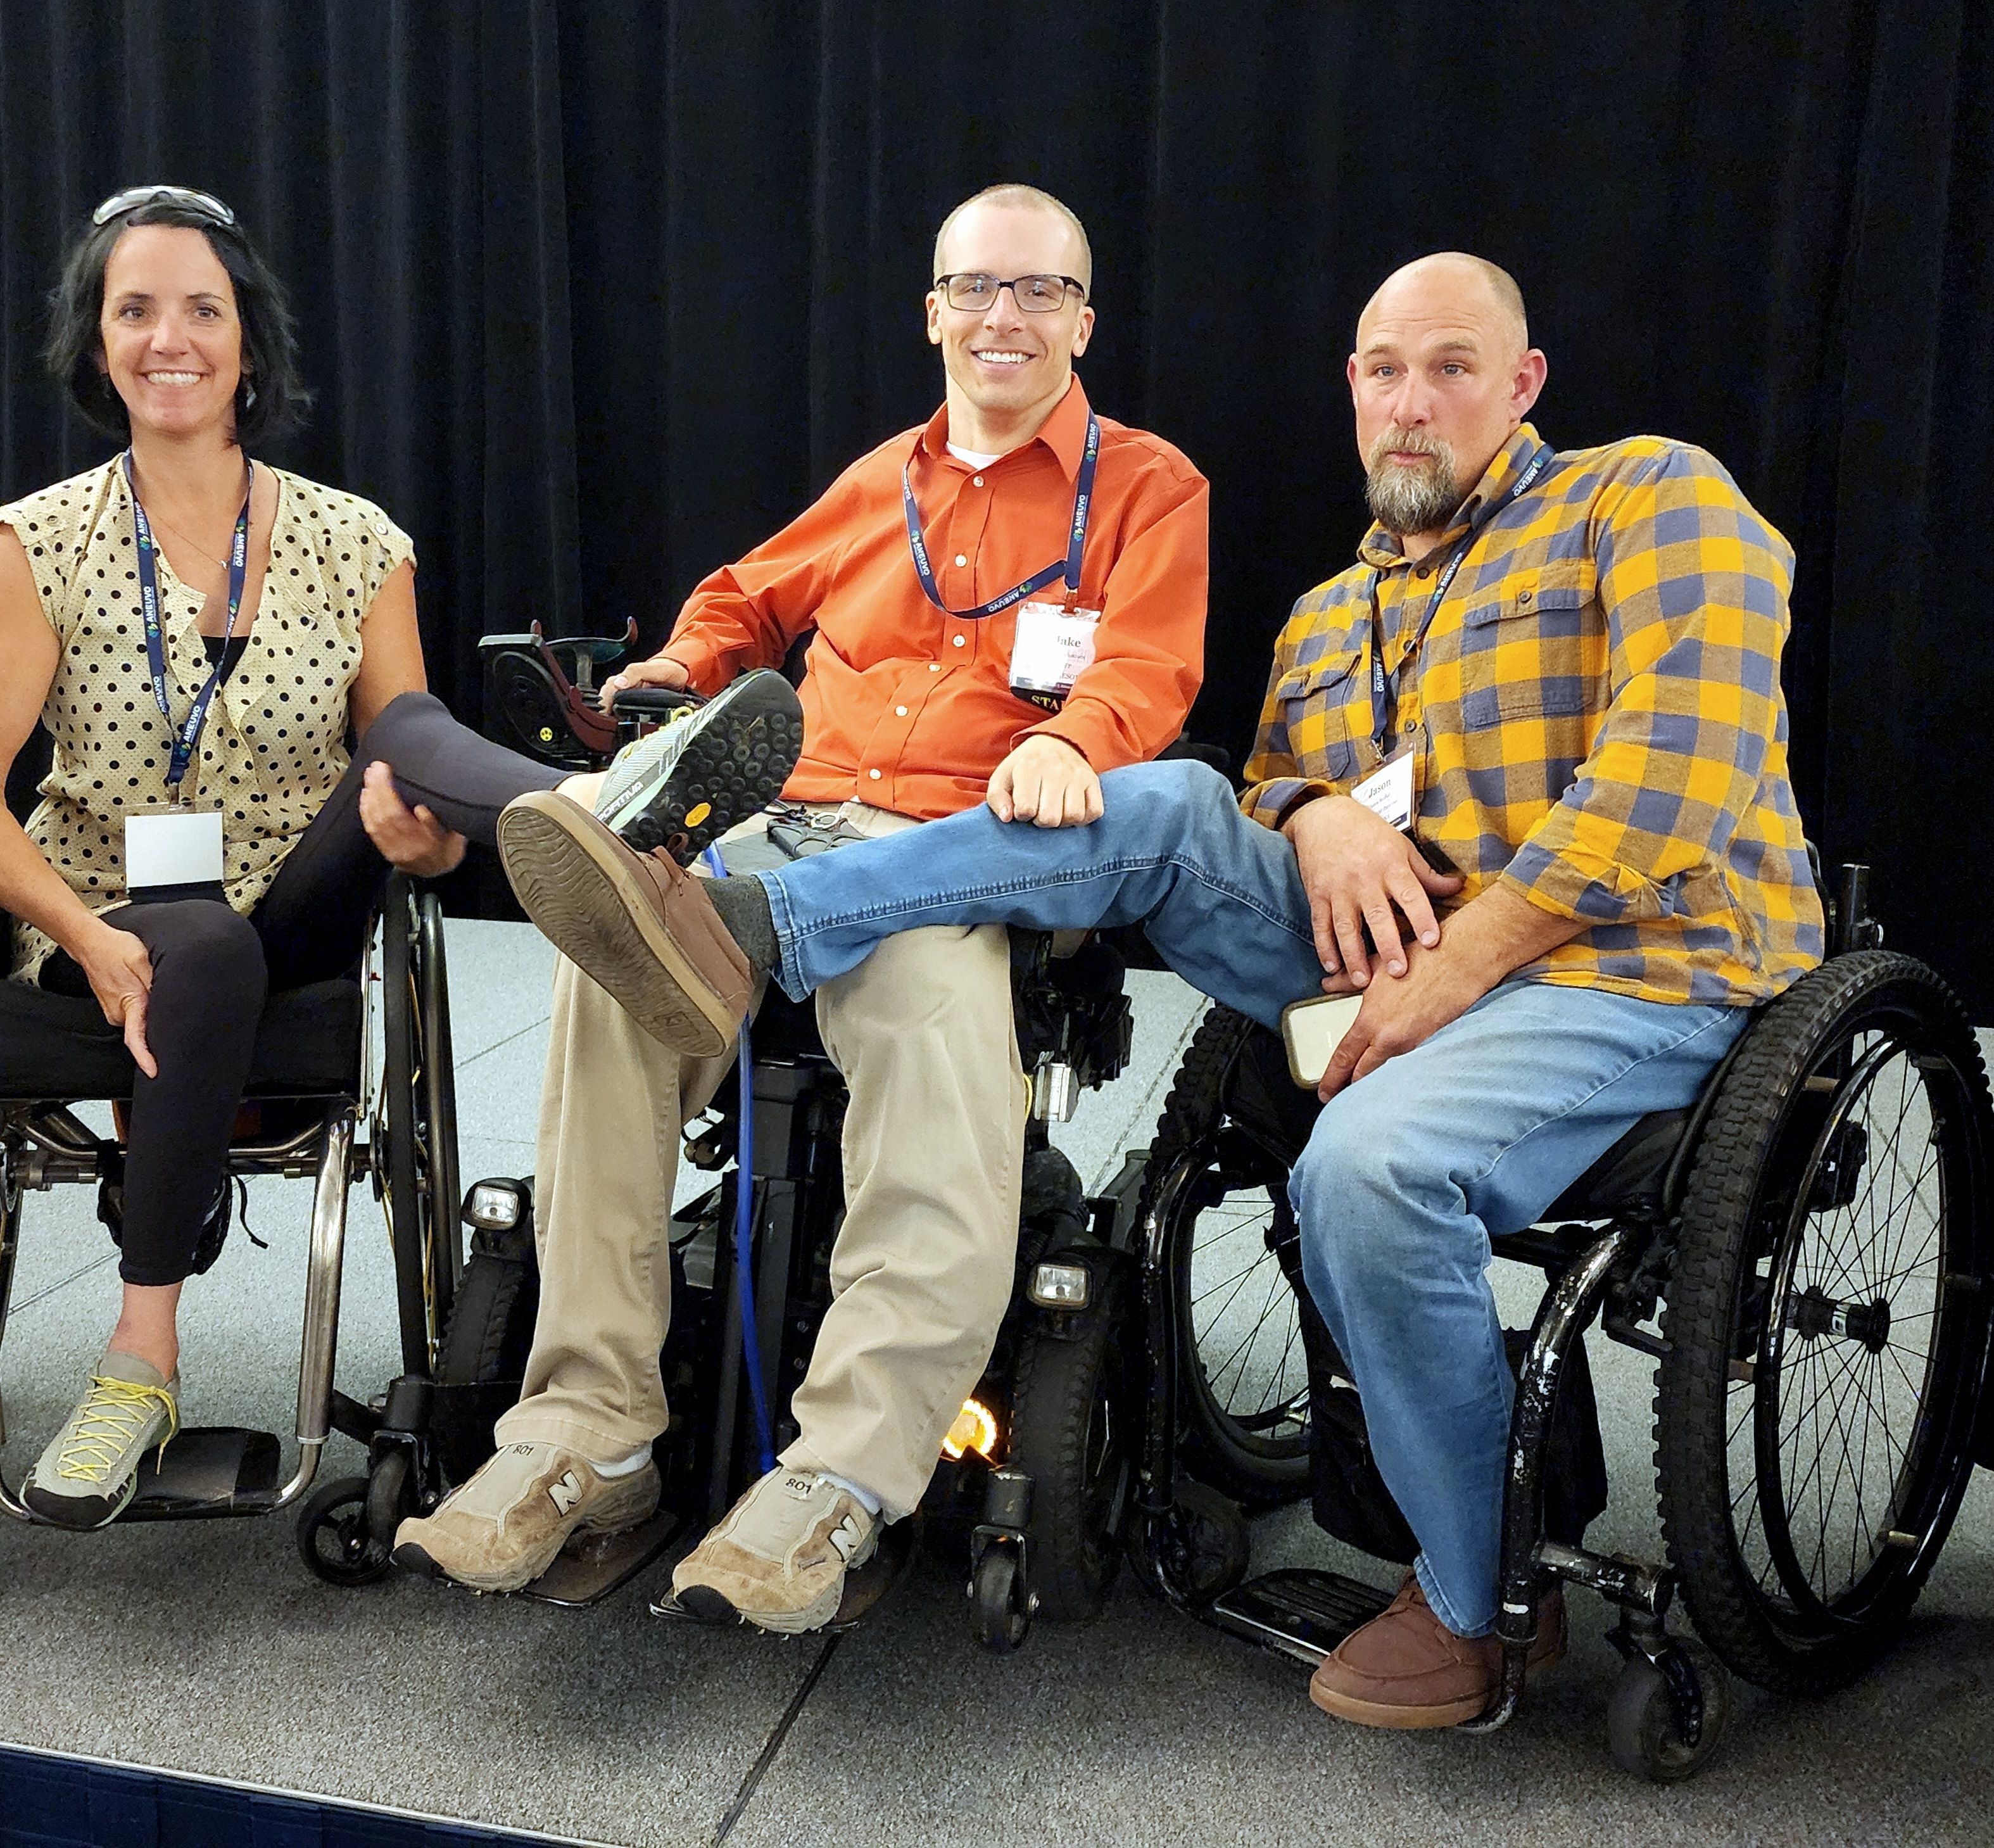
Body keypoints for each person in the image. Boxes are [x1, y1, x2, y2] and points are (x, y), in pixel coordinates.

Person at [493, 251, 1824, 1718]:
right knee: (1172, 805)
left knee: (1366, 1170)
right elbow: (1267, 783)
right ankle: (749, 921)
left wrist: (1463, 963)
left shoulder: (1645, 498)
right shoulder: (1334, 611)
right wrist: (1310, 811)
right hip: (1381, 948)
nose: (1411, 404)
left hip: (1628, 970)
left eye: (1450, 369)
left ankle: (1476, 1602)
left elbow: (1678, 774)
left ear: (1522, 386)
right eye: (1383, 372)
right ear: (1351, 393)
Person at [393, 183, 1210, 1630]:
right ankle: (589, 1432)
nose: (1003, 317)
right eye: (976, 288)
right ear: (932, 313)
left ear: (1084, 319)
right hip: (792, 816)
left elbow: (1146, 672)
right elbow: (743, 597)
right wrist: (682, 668)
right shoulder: (876, 479)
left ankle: (844, 1471)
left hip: (966, 848)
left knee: (922, 995)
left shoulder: (1148, 487)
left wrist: (1067, 740)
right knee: (608, 980)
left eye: (1038, 292)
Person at [0, 184, 800, 1530]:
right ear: (97, 350)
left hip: (299, 900)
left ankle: (606, 811)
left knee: (402, 731)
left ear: (248, 347)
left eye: (201, 310)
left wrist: (426, 841)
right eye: (134, 310)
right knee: (195, 938)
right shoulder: (30, 547)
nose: (171, 337)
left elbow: (413, 793)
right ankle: (138, 1363)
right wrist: (89, 936)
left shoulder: (352, 540)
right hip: (107, 914)